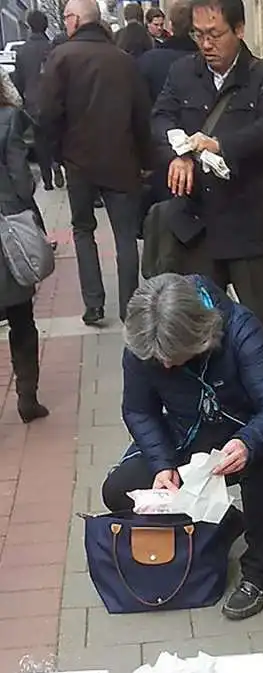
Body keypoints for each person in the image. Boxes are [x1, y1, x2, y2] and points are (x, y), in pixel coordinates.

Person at [101, 273, 263, 620]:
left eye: (173, 356)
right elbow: (139, 411)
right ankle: (224, 522)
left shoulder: (240, 328)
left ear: (198, 335)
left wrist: (248, 442)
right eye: (159, 360)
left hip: (255, 427)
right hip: (189, 432)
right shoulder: (144, 341)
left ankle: (260, 572)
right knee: (119, 491)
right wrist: (162, 464)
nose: (166, 364)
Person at [150, 0, 263, 344]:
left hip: (246, 221)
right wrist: (179, 152)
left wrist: (218, 144)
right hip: (195, 225)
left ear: (239, 30)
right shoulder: (182, 72)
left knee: (257, 326)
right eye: (198, 35)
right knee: (201, 327)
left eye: (215, 34)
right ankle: (213, 395)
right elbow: (160, 118)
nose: (206, 44)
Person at [39, 0, 152, 326]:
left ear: (74, 20)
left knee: (84, 230)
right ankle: (129, 308)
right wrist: (146, 159)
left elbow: (47, 114)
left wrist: (58, 154)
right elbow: (141, 115)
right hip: (122, 161)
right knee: (125, 237)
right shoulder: (124, 61)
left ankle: (94, 303)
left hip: (79, 163)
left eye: (65, 18)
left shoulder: (61, 58)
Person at [0, 77, 49, 423]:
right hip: (7, 228)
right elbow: (21, 176)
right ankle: (27, 397)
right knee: (21, 318)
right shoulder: (8, 118)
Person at [14, 11, 63, 191]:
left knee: (40, 141)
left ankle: (47, 180)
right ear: (45, 26)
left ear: (29, 26)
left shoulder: (22, 51)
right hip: (53, 100)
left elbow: (18, 79)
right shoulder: (53, 49)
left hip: (33, 104)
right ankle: (57, 162)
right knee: (56, 137)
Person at [137, 0, 197, 104]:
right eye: (156, 25)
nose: (159, 28)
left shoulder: (150, 58)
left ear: (170, 25)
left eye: (161, 24)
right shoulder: (206, 60)